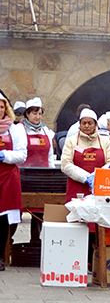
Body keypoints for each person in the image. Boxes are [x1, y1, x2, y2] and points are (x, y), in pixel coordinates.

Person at [19, 97, 56, 245]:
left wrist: (52, 174)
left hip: (42, 176)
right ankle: (8, 241)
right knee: (18, 210)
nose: (37, 117)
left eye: (40, 113)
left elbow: (50, 156)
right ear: (27, 114)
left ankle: (35, 240)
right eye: (34, 113)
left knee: (39, 211)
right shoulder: (20, 130)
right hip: (24, 176)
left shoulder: (46, 131)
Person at [61, 108, 110, 201]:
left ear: (95, 125)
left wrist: (97, 176)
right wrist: (85, 177)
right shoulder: (71, 141)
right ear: (80, 124)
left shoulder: (105, 142)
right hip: (76, 189)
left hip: (99, 190)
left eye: (90, 123)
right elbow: (65, 164)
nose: (86, 126)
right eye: (84, 123)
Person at [0, 91, 27, 271]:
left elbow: (22, 155)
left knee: (2, 220)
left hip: (7, 176)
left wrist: (4, 155)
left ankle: (0, 256)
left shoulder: (15, 128)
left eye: (1, 107)